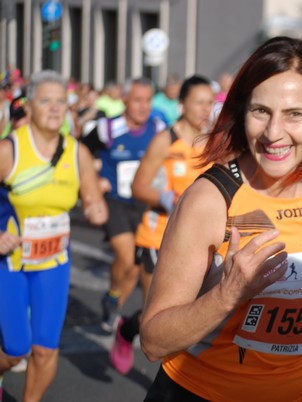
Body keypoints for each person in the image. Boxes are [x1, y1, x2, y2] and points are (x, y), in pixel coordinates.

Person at [140, 36, 302, 401]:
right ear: (242, 112)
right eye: (260, 111)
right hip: (210, 392)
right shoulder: (210, 201)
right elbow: (154, 341)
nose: (273, 133)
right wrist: (226, 295)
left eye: (294, 114)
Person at [0, 70, 107, 402]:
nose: (54, 108)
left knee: (45, 349)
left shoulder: (78, 154)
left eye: (61, 101)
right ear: (29, 106)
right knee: (16, 348)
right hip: (11, 263)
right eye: (45, 100)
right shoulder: (9, 150)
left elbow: (92, 200)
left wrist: (96, 209)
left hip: (54, 261)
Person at [109, 75, 215, 375]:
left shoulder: (214, 142)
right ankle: (129, 331)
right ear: (181, 104)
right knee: (160, 319)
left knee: (190, 315)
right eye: (198, 102)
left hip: (199, 242)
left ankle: (128, 330)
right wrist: (171, 199)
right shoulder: (165, 140)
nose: (205, 109)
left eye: (210, 103)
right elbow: (139, 186)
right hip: (160, 239)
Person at [81, 77, 166, 333]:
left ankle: (112, 299)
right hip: (115, 201)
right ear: (125, 100)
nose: (143, 106)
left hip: (144, 204)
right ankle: (114, 299)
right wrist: (95, 181)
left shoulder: (159, 127)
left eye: (148, 100)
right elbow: (81, 152)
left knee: (135, 267)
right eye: (137, 100)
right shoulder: (108, 128)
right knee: (126, 257)